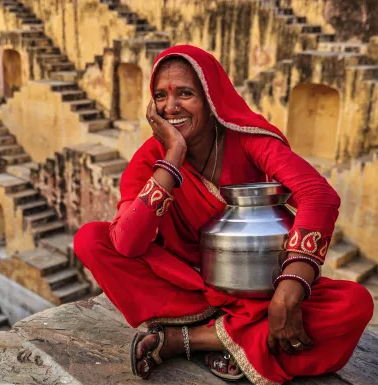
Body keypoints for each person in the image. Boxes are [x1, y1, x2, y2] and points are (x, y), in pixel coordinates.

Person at [73, 45, 374, 384]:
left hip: (260, 288)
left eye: (185, 94)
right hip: (188, 289)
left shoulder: (247, 141)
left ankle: (189, 340)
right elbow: (126, 243)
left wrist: (290, 287)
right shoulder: (152, 159)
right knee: (91, 239)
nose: (171, 107)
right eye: (160, 96)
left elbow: (318, 195)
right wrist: (173, 158)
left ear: (210, 98)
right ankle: (233, 337)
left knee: (355, 303)